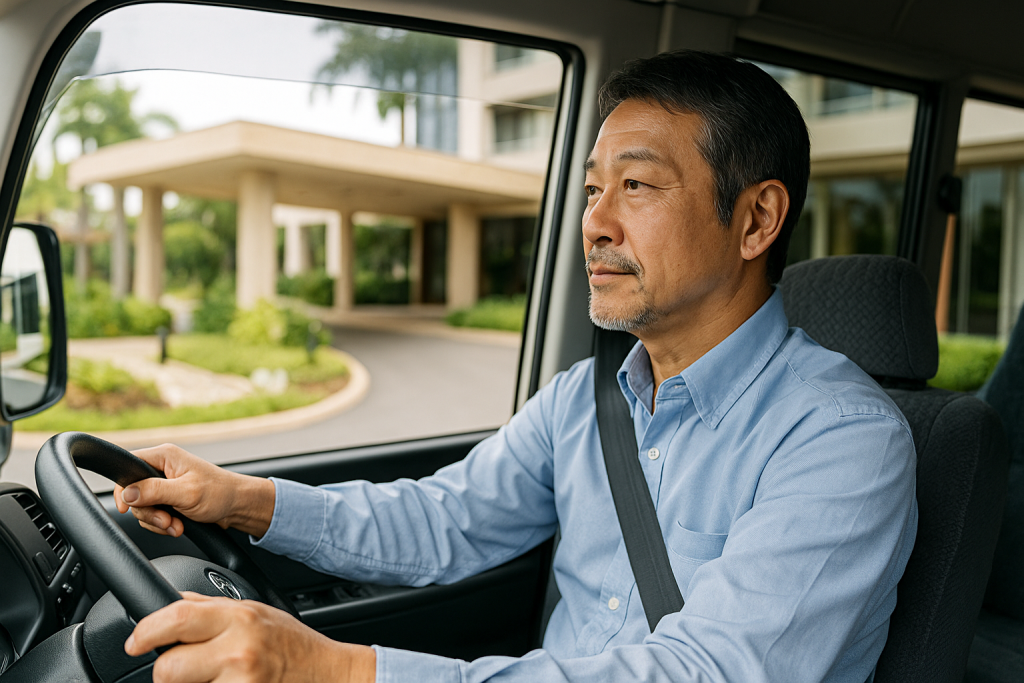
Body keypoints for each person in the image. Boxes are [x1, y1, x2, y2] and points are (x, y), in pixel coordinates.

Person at [116, 50, 918, 683]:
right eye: (592, 188)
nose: (594, 223)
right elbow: (443, 519)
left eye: (636, 185)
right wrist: (242, 498)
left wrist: (334, 667)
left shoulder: (844, 441)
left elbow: (706, 672)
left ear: (756, 219)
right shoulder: (586, 397)